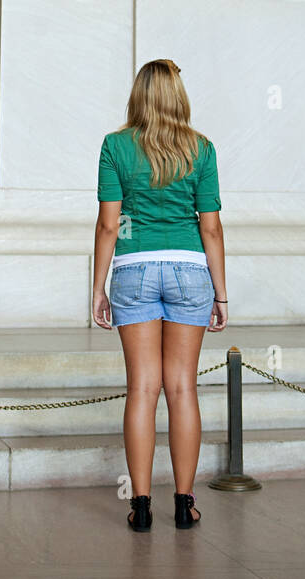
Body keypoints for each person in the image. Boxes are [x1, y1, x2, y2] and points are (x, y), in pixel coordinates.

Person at [92, 59, 228, 532]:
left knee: (142, 390)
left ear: (138, 95)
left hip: (133, 270)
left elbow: (110, 224)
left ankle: (142, 505)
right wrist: (222, 295)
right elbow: (210, 226)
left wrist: (98, 288)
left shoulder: (115, 146)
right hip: (191, 271)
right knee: (182, 389)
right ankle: (185, 505)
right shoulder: (202, 149)